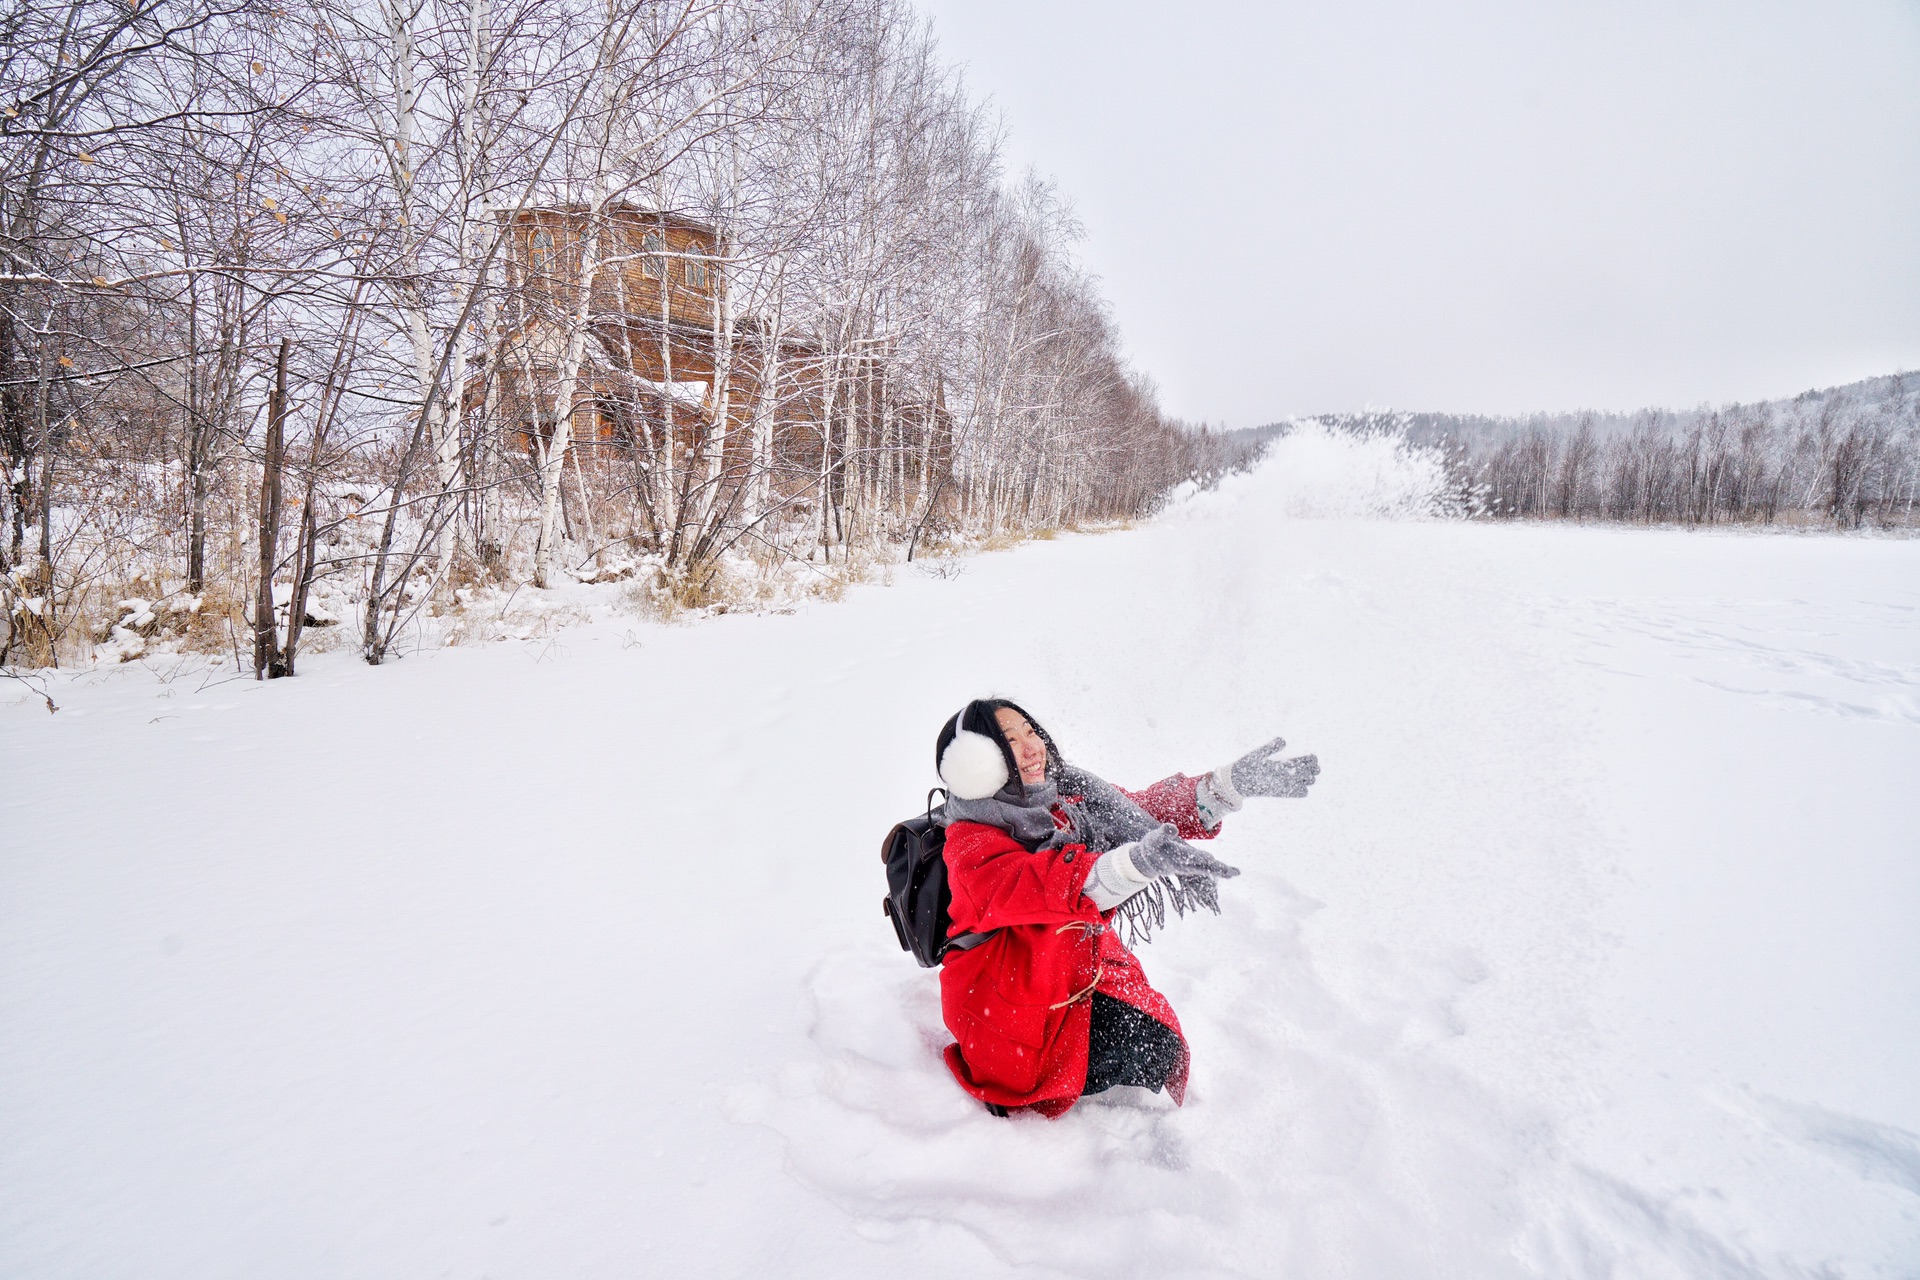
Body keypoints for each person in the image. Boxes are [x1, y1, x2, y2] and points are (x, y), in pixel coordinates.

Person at [932, 698, 1321, 1118]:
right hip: (1009, 1008)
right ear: (981, 762)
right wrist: (1136, 863)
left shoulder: (1065, 797)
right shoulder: (970, 841)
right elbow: (1048, 883)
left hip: (1073, 973)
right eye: (1009, 741)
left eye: (1030, 731)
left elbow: (1141, 811)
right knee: (1144, 1052)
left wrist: (1227, 788)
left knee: (1158, 1047)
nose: (1031, 748)